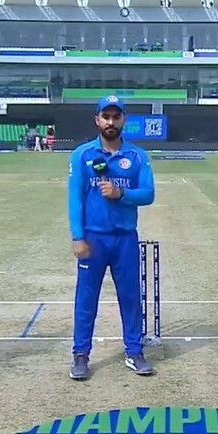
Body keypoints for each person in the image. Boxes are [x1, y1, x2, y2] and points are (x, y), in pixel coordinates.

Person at [67, 94, 156, 380]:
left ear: (123, 120)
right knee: (86, 299)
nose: (111, 122)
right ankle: (81, 354)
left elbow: (148, 194)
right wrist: (78, 236)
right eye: (106, 117)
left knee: (130, 297)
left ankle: (134, 351)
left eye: (116, 117)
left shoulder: (137, 156)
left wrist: (122, 194)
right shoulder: (83, 155)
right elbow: (75, 198)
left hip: (125, 238)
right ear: (97, 120)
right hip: (93, 239)